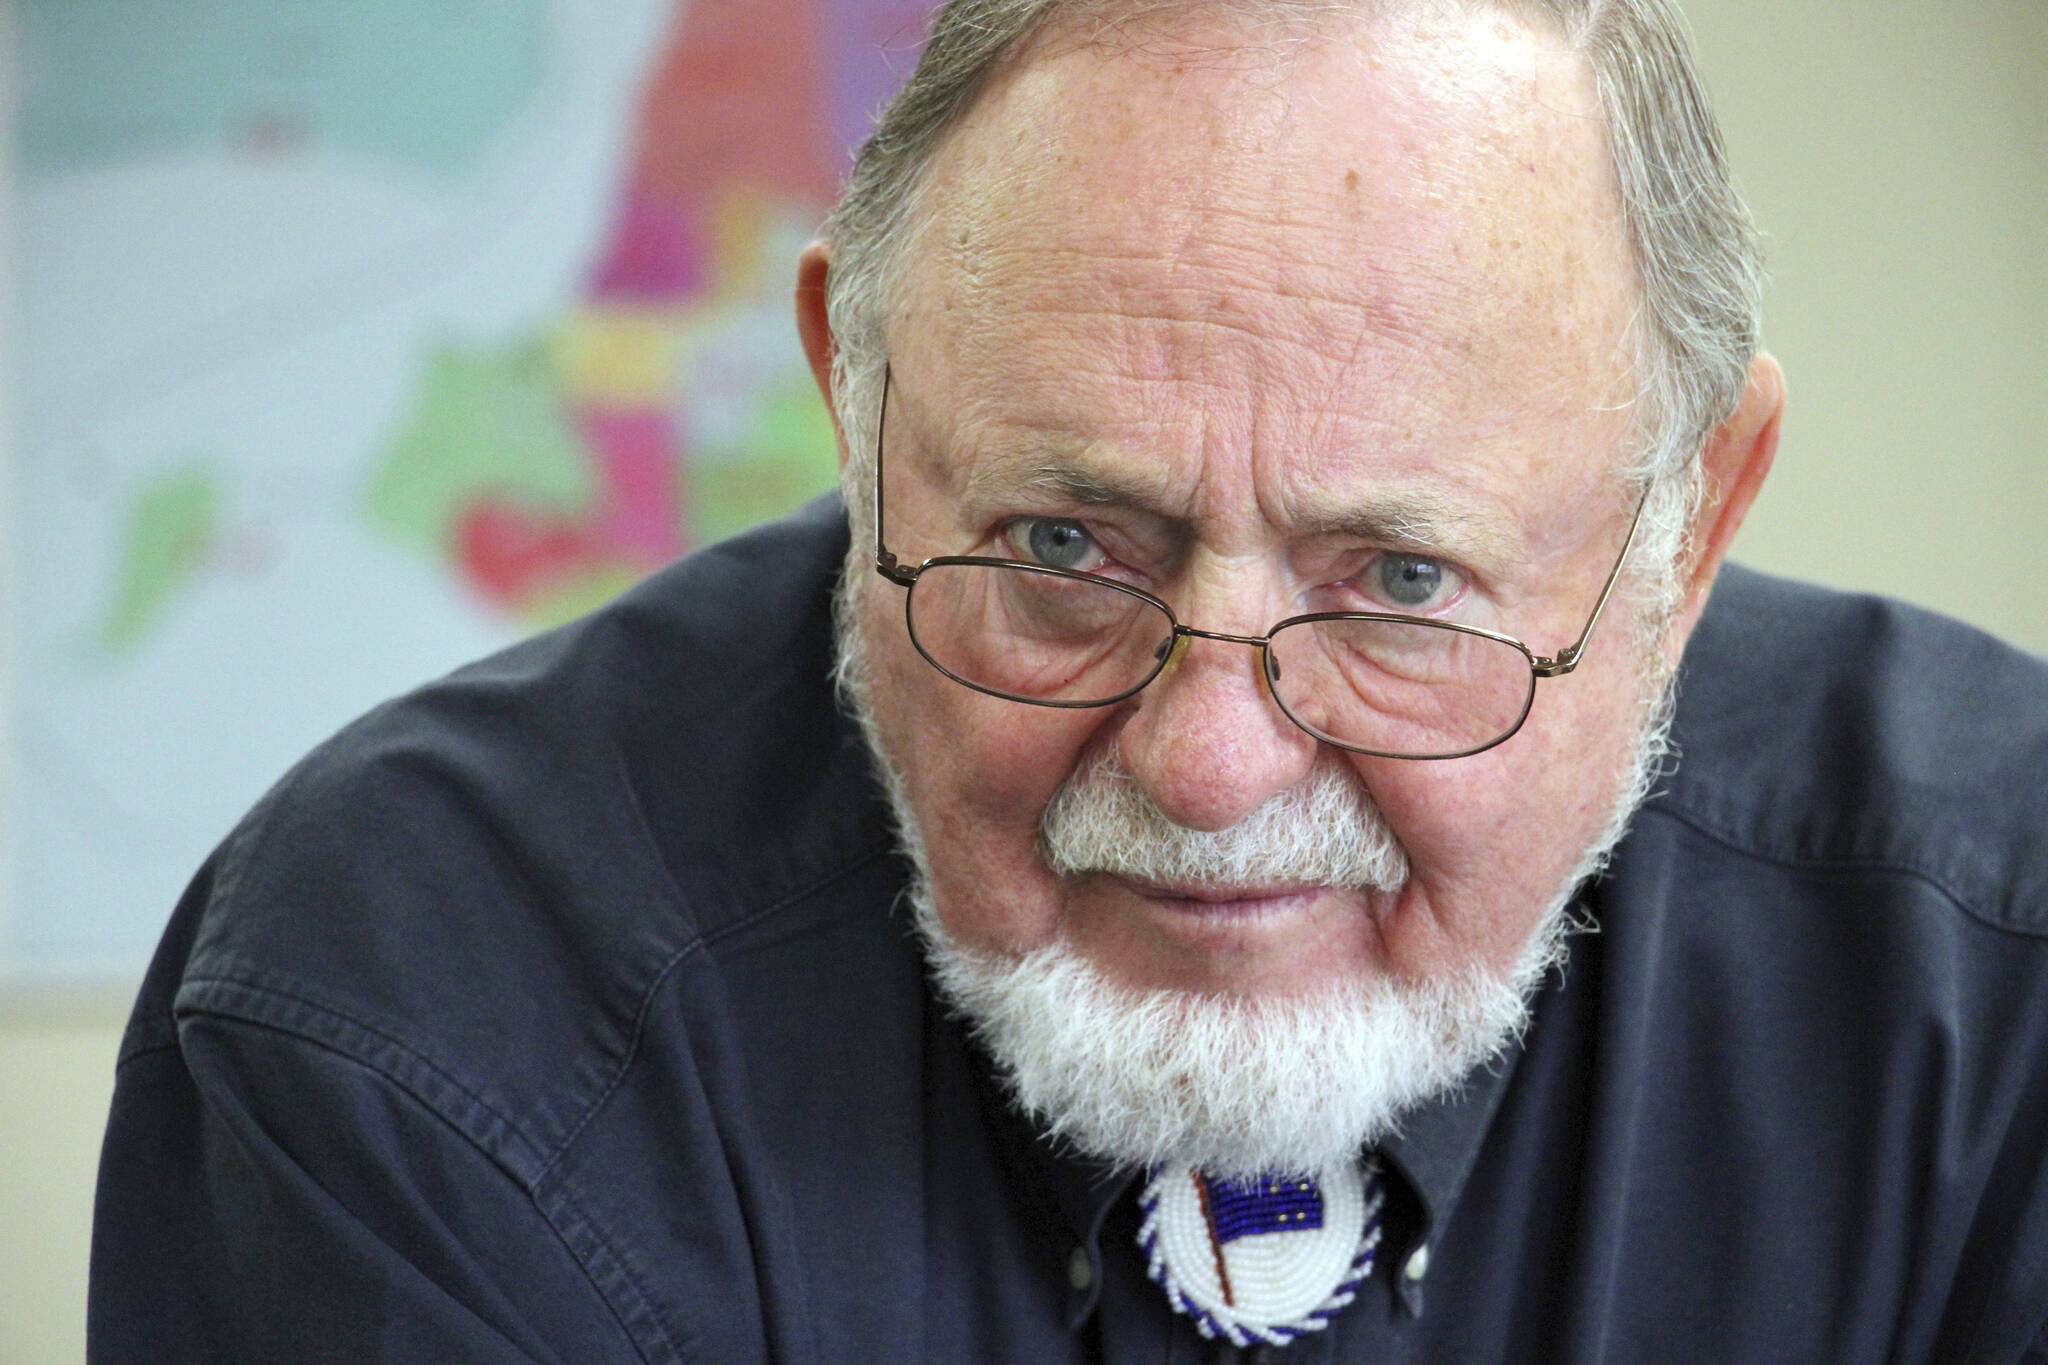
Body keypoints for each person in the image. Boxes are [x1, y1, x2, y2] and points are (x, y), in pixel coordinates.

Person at [90, 0, 2048, 1360]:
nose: (1204, 763)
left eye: (1399, 581)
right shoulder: (414, 993)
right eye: (1060, 546)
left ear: (1690, 525)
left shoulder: (2007, 957)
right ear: (860, 428)